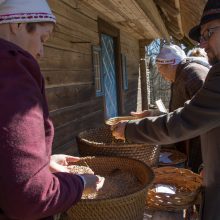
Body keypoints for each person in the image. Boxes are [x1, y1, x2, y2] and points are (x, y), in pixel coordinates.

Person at [112, 0, 220, 219]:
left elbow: (188, 120)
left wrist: (130, 130)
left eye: (209, 33)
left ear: (170, 64)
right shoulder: (188, 74)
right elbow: (201, 113)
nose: (203, 44)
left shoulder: (195, 75)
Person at [0, 0, 104, 220]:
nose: (41, 52)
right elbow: (30, 198)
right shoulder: (11, 68)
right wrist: (81, 183)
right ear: (17, 25)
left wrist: (43, 163)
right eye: (42, 39)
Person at [133, 44, 209, 172]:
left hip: (204, 146)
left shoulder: (193, 75)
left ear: (170, 64)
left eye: (160, 69)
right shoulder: (181, 75)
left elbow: (204, 117)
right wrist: (153, 113)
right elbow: (179, 113)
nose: (162, 75)